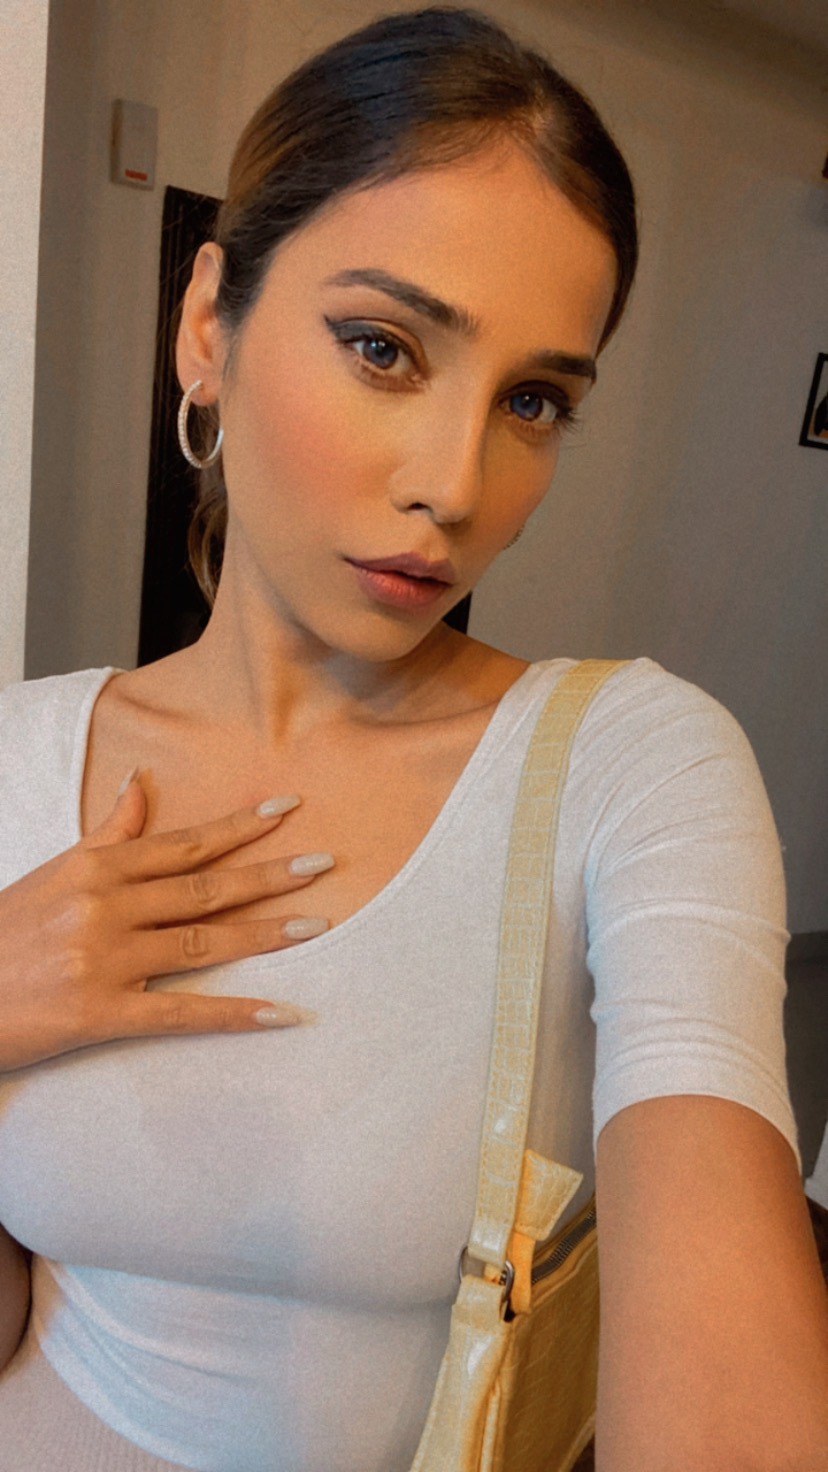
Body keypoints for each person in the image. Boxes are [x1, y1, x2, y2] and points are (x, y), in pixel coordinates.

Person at [0, 8, 825, 1471]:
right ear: (209, 324)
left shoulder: (632, 768)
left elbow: (723, 1390)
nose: (457, 483)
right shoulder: (17, 759)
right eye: (384, 347)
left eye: (534, 400)